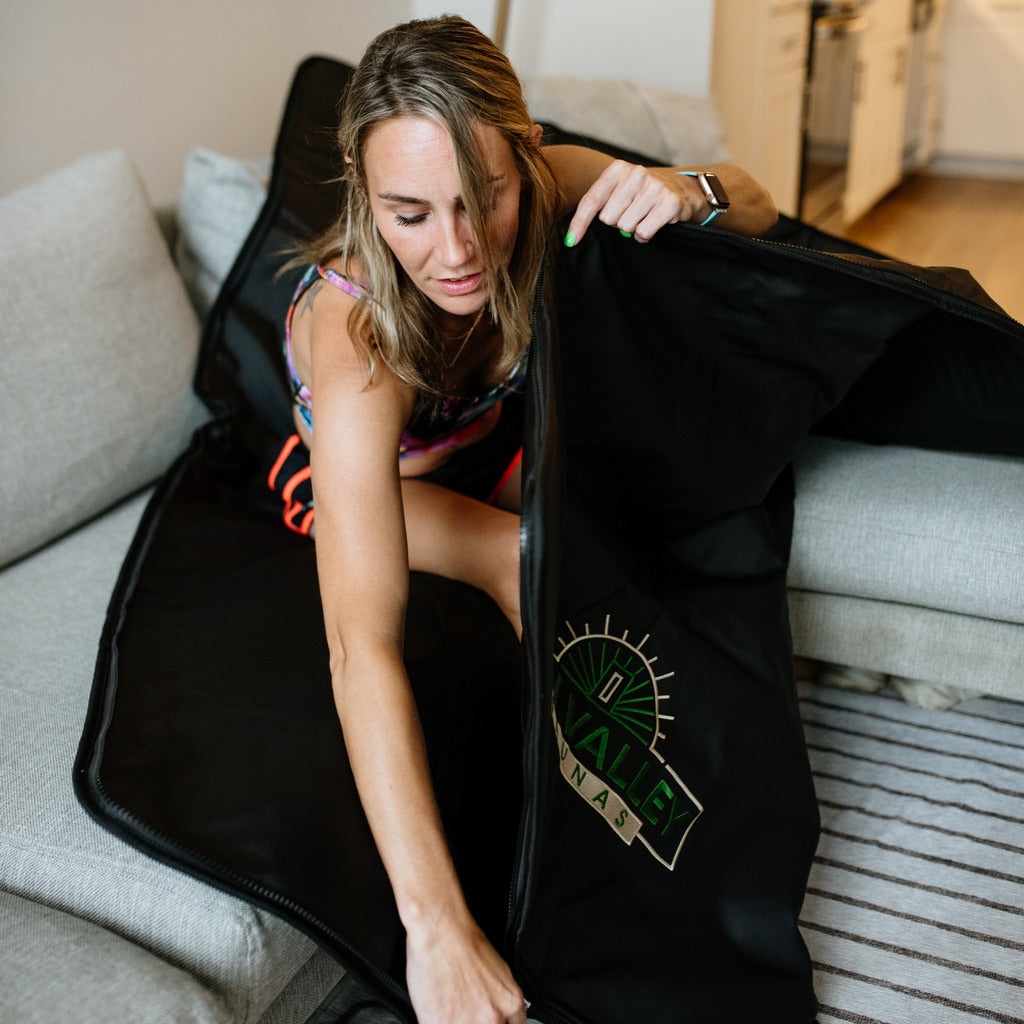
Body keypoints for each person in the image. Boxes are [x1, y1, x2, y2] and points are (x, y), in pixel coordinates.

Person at [266, 16, 778, 1024]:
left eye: (482, 199)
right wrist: (436, 928)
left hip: (500, 443)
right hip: (361, 486)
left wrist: (689, 191)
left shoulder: (550, 179)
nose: (453, 251)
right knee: (532, 560)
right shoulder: (357, 330)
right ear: (364, 196)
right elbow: (357, 643)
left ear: (526, 152)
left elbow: (759, 204)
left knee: (645, 530)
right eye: (408, 214)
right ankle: (591, 873)